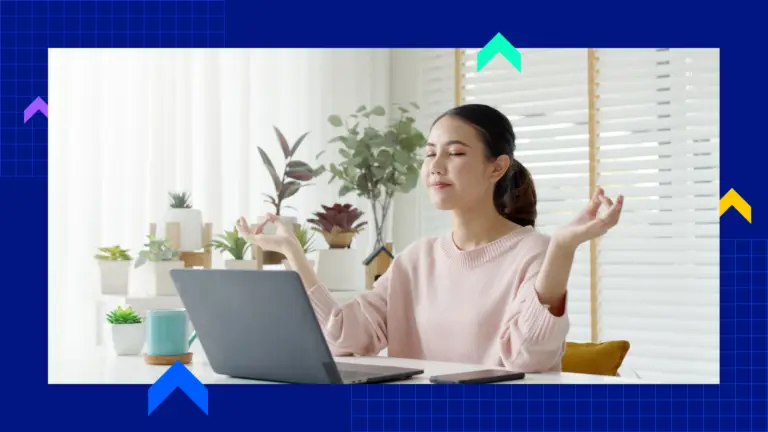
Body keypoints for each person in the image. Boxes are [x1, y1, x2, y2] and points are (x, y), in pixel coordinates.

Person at [237, 104, 623, 373]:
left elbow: (528, 360)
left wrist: (563, 247)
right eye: (429, 154)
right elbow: (344, 337)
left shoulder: (532, 251)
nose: (435, 166)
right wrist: (293, 253)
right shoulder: (416, 258)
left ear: (497, 167)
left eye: (455, 153)